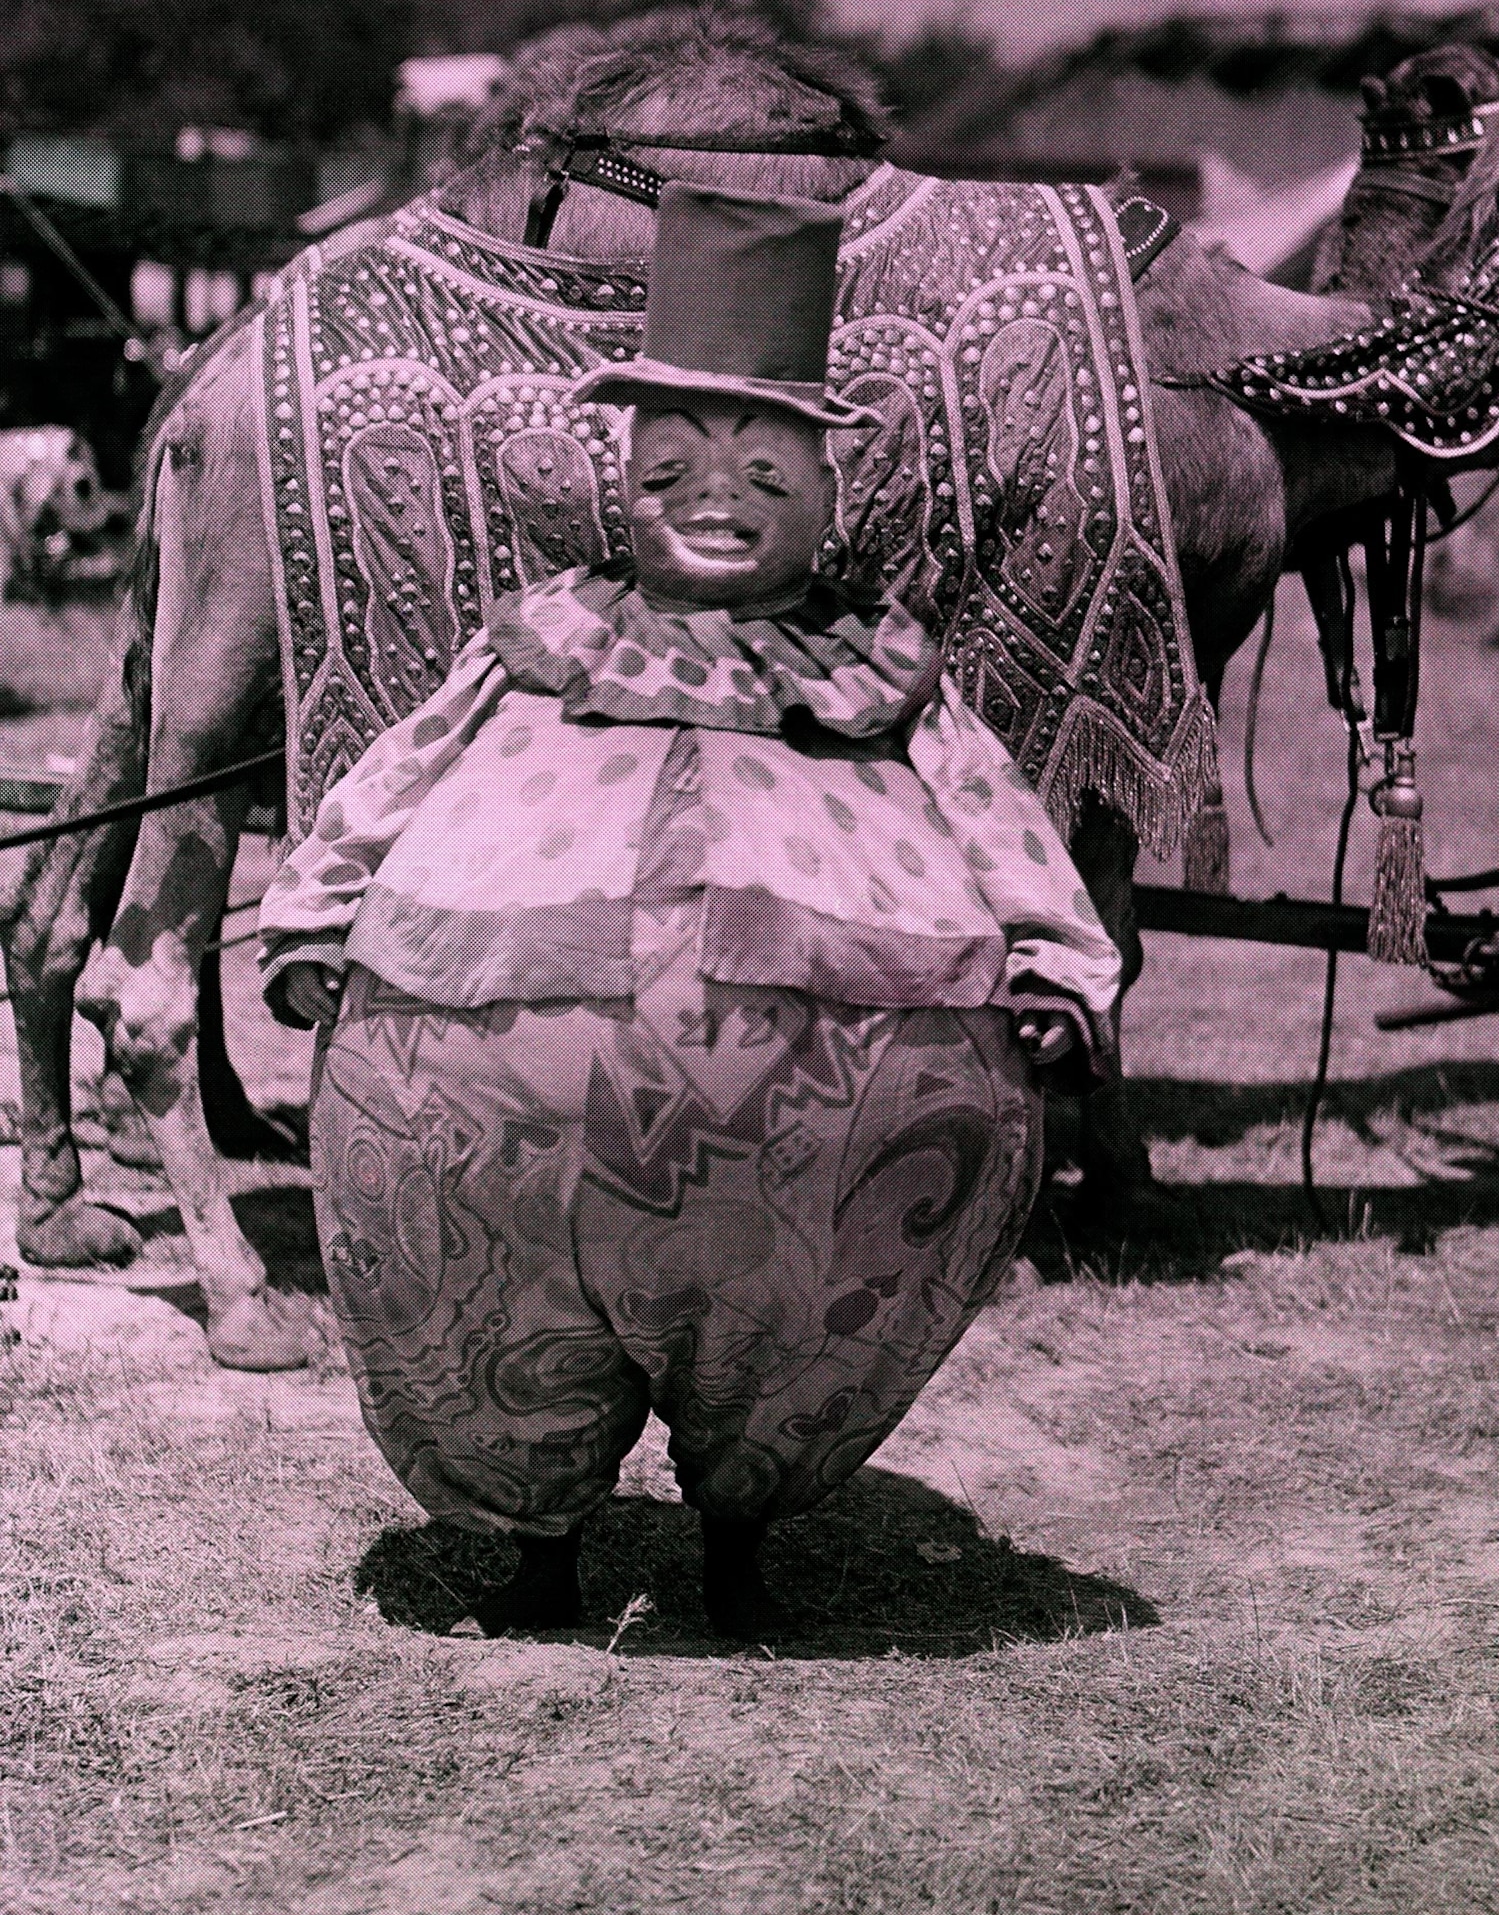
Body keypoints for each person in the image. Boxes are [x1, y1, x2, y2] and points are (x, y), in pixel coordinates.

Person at [259, 188, 1121, 1637]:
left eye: (764, 474)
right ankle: (535, 1546)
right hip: (493, 1111)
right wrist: (311, 914)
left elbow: (991, 808)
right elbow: (402, 764)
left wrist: (1051, 962)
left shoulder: (872, 670)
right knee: (500, 1302)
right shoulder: (547, 634)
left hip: (817, 1139)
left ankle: (740, 1537)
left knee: (788, 1313)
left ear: (826, 486)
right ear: (626, 473)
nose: (720, 501)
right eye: (675, 470)